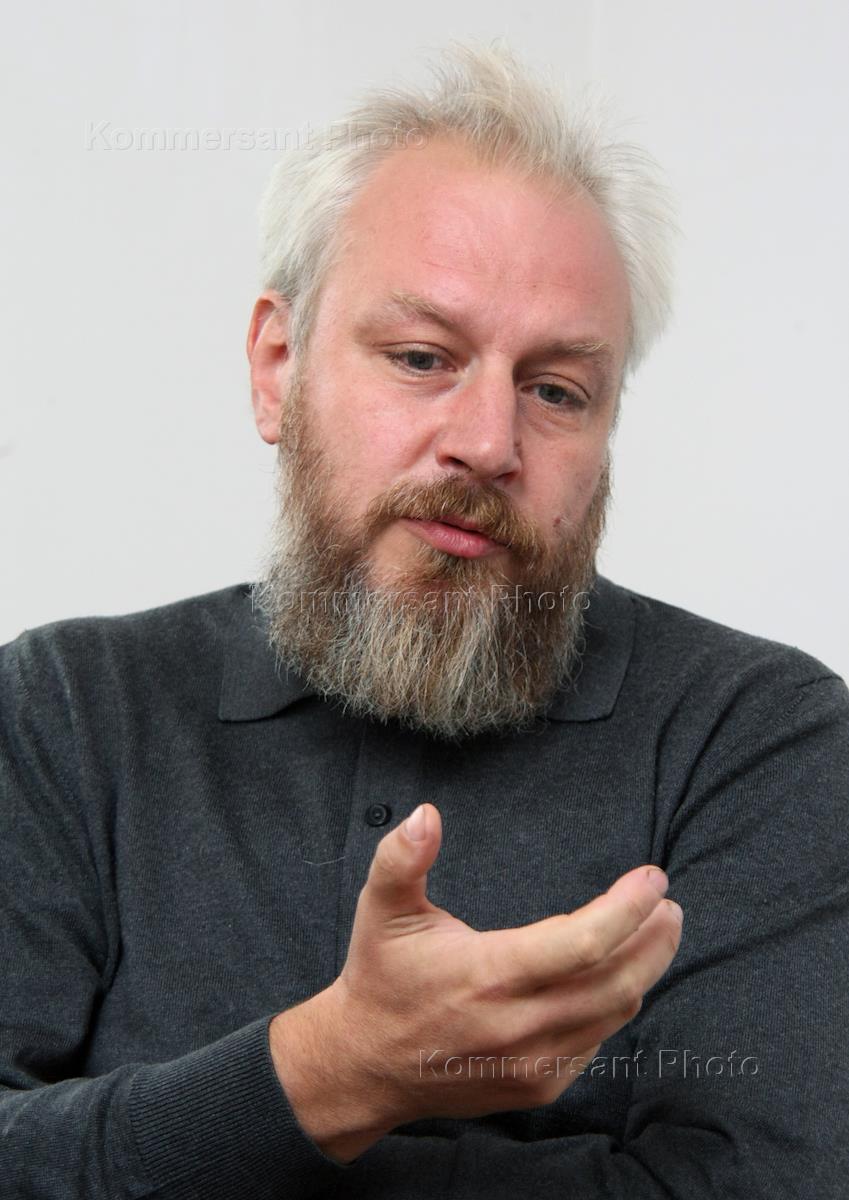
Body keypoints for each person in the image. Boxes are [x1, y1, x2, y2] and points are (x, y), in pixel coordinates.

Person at [1, 41, 847, 1200]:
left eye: (556, 390)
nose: (489, 443)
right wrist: (333, 1071)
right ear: (278, 367)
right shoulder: (61, 714)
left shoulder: (758, 739)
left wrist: (172, 1132)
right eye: (420, 357)